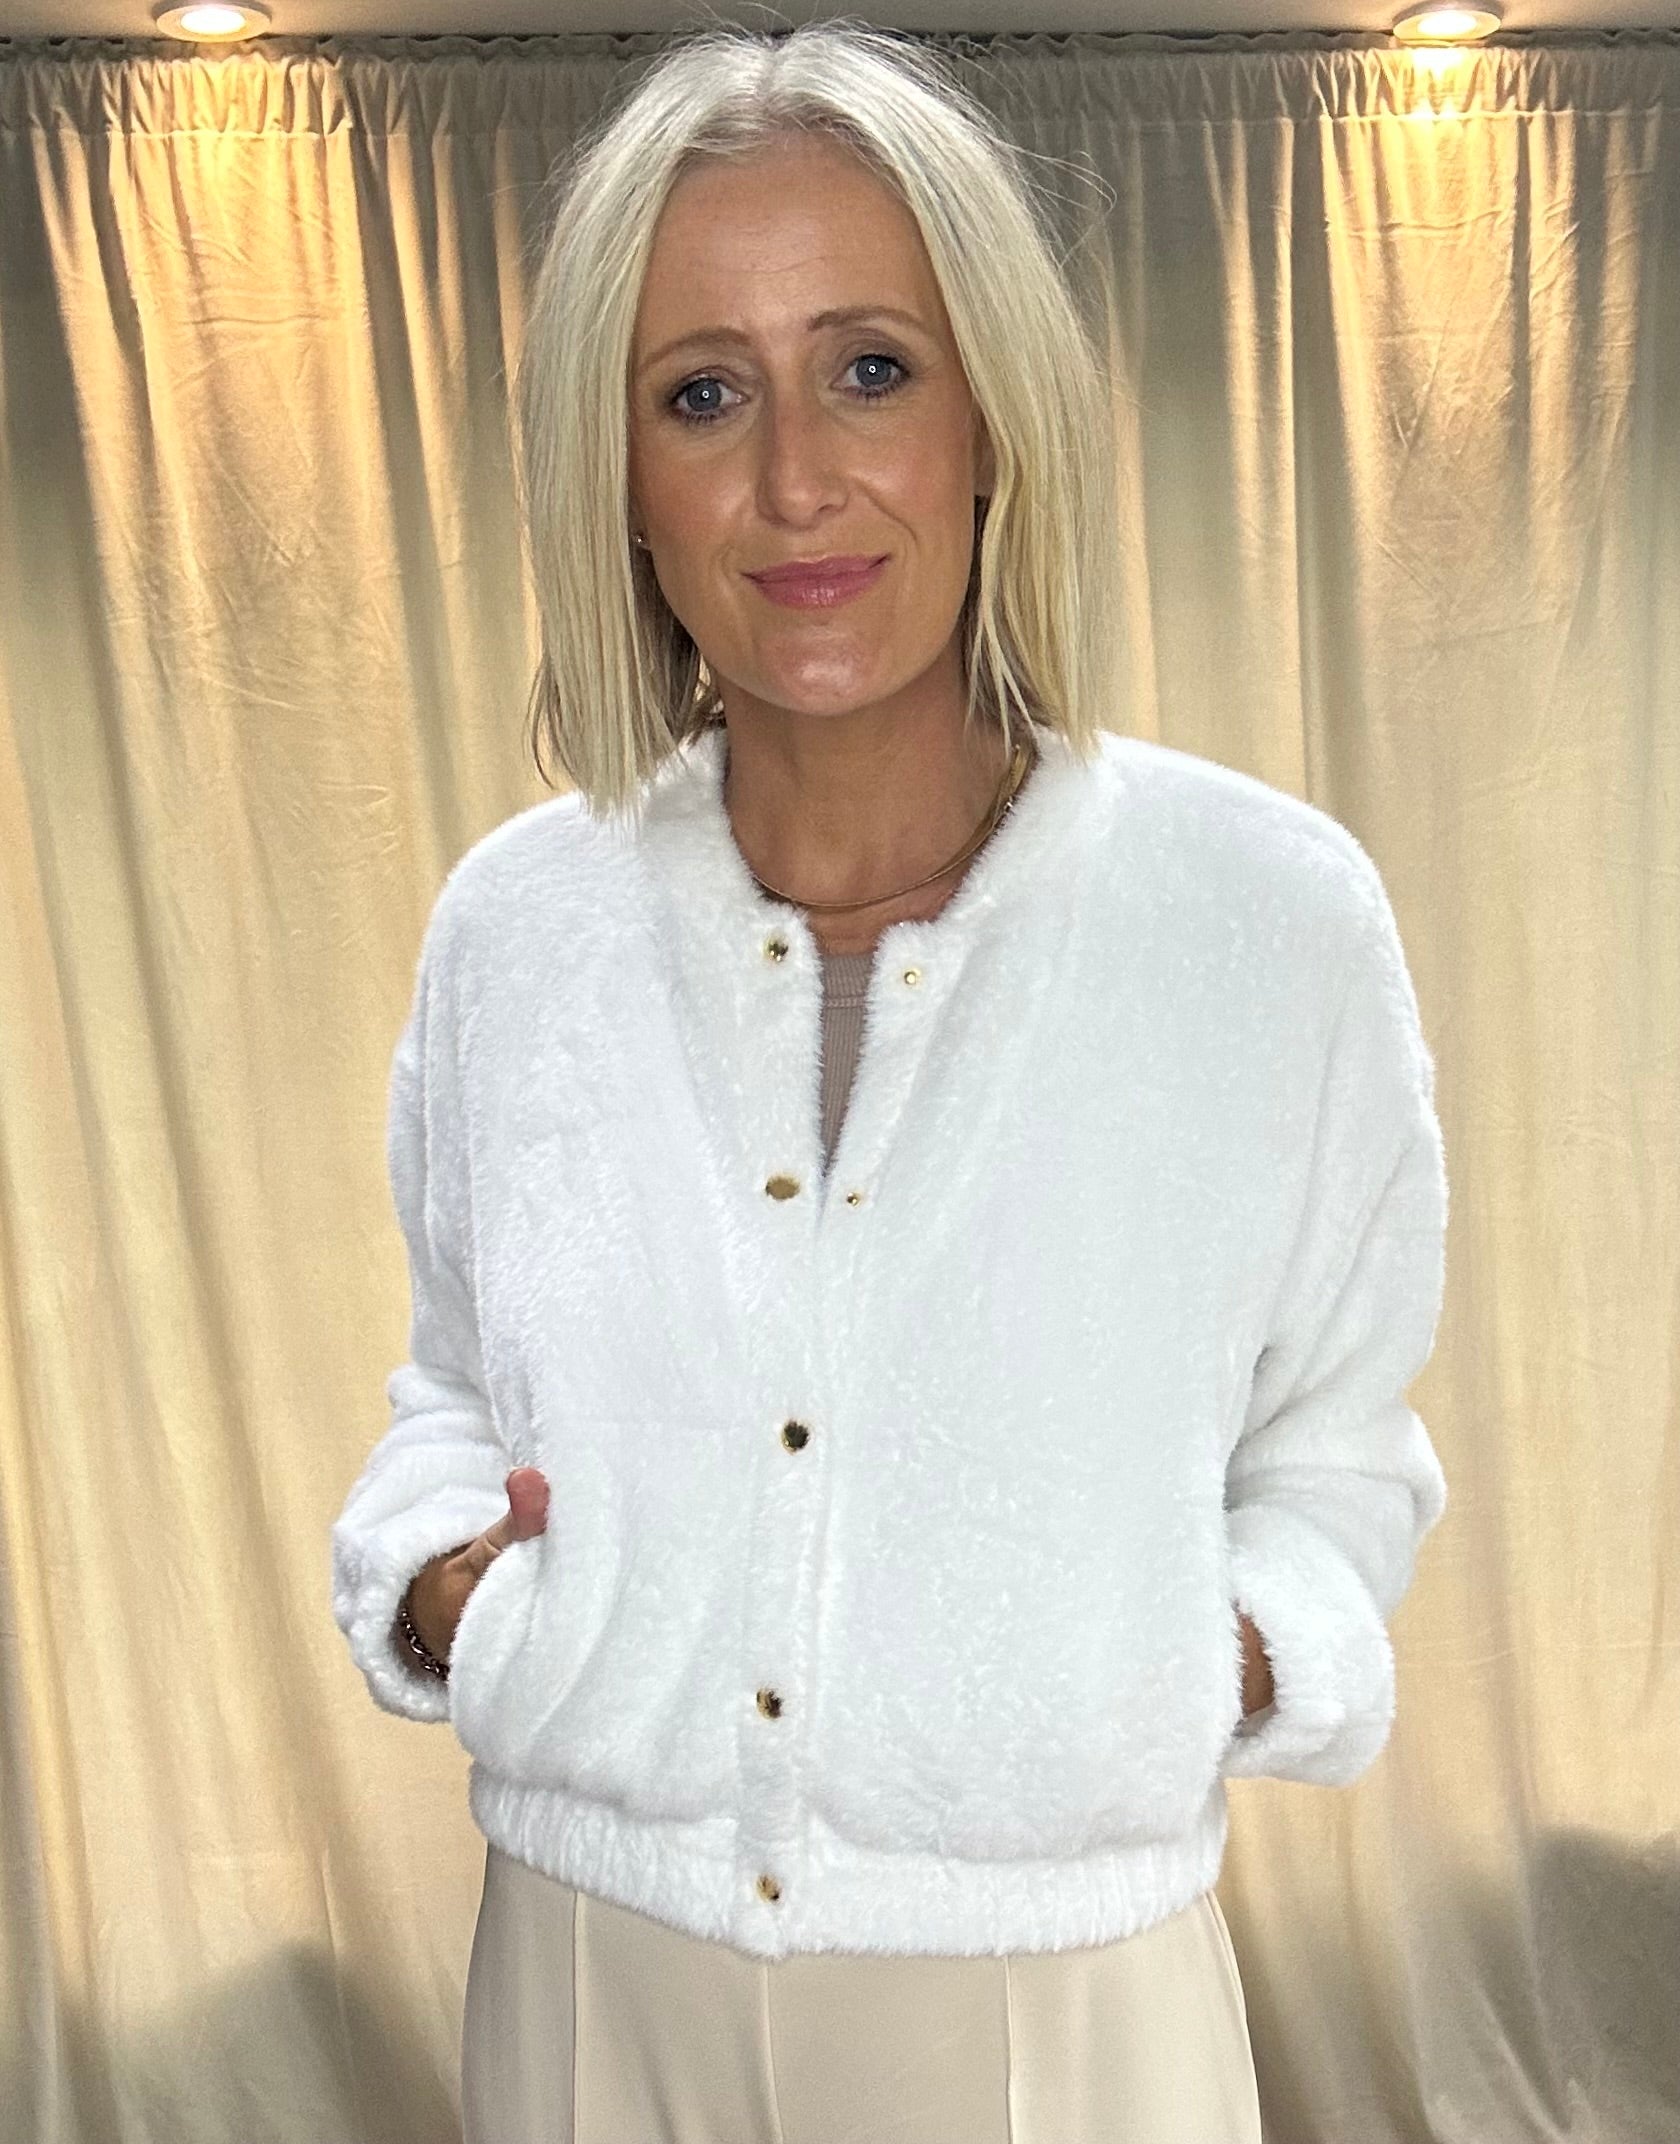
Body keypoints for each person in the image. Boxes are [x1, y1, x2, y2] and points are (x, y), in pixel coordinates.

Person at [329, 22, 1449, 2143]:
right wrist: (454, 1586)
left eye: (870, 368)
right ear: (618, 475)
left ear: (990, 421)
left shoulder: (1262, 923)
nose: (795, 484)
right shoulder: (519, 930)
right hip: (585, 1972)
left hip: (1061, 2002)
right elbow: (456, 1383)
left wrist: (1178, 1666)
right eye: (702, 393)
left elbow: (1338, 1445)